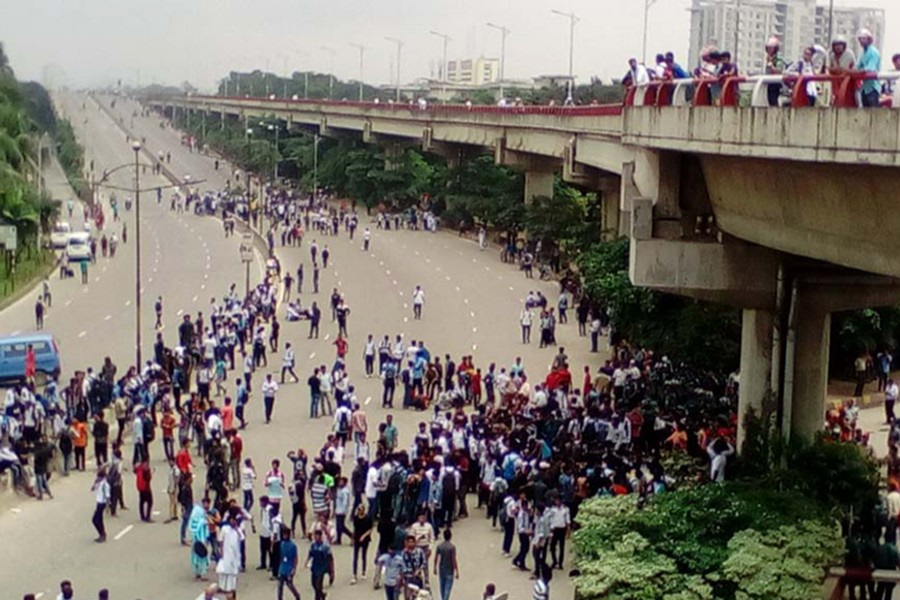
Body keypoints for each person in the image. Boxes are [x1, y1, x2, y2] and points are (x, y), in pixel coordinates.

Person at [217, 512, 242, 600]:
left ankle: (231, 588)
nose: (233, 522)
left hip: (234, 554)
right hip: (226, 552)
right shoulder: (224, 529)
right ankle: (222, 587)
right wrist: (221, 551)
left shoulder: (238, 529)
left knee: (232, 572)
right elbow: (220, 540)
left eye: (234, 520)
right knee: (223, 571)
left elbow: (242, 538)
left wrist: (236, 529)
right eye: (231, 520)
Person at [854, 28, 882, 107]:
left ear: (869, 40)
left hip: (873, 87)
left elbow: (870, 68)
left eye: (864, 39)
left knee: (873, 111)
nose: (861, 41)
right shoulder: (863, 53)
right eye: (860, 39)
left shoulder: (873, 52)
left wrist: (858, 71)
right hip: (865, 87)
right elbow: (858, 67)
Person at [307, 528, 335, 600]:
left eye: (317, 536)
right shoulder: (313, 545)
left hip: (322, 567)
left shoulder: (325, 546)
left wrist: (331, 570)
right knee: (313, 583)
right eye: (315, 536)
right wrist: (307, 561)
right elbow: (310, 553)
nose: (315, 537)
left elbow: (330, 558)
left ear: (320, 536)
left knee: (318, 585)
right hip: (314, 566)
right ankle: (322, 595)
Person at [277, 526, 302, 600]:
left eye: (286, 534)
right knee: (280, 585)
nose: (284, 536)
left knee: (289, 584)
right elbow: (281, 556)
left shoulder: (293, 546)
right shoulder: (282, 544)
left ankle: (297, 596)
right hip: (282, 567)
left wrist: (294, 569)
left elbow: (295, 558)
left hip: (289, 567)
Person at [434, 528, 459, 600]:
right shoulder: (452, 547)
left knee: (442, 586)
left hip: (441, 568)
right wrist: (456, 570)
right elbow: (453, 559)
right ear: (450, 536)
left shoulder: (439, 546)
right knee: (448, 587)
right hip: (449, 569)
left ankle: (443, 598)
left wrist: (435, 567)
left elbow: (436, 557)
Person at [351, 503, 373, 584]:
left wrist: (364, 536)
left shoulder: (368, 518)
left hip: (365, 539)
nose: (359, 511)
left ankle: (363, 572)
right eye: (358, 509)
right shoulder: (356, 518)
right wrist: (352, 538)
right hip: (357, 538)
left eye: (361, 509)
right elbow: (354, 528)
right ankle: (354, 574)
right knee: (355, 556)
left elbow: (370, 529)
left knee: (364, 555)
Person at [91, 467, 110, 542]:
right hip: (98, 502)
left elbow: (108, 496)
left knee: (95, 519)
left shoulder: (105, 484)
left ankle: (102, 533)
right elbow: (92, 489)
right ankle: (102, 533)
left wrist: (107, 507)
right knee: (98, 519)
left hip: (102, 503)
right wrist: (95, 483)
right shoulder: (98, 483)